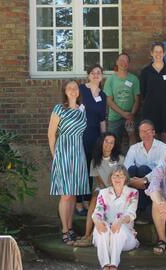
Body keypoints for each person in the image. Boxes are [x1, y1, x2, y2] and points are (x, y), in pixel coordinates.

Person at [48, 80, 90, 245]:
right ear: (65, 91)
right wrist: (55, 156)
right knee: (65, 195)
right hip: (63, 152)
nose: (73, 90)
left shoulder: (82, 110)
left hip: (78, 153)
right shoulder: (59, 108)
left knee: (73, 194)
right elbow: (51, 135)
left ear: (79, 92)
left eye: (75, 88)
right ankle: (64, 230)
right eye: (69, 88)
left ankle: (71, 227)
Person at [74, 133, 124, 247]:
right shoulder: (95, 161)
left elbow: (122, 178)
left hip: (117, 188)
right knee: (95, 198)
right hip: (102, 188)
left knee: (101, 198)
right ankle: (87, 234)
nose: (109, 144)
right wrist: (104, 192)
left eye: (112, 142)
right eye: (106, 141)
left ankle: (91, 236)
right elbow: (99, 181)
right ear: (101, 142)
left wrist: (111, 191)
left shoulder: (120, 159)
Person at [92, 165, 139, 270]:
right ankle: (105, 265)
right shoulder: (103, 193)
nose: (118, 178)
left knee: (119, 228)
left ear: (126, 178)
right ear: (110, 178)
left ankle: (113, 265)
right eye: (115, 175)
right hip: (105, 239)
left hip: (125, 238)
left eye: (121, 176)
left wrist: (119, 221)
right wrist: (97, 221)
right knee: (102, 225)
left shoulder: (133, 193)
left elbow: (131, 214)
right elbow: (97, 211)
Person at [76, 64, 107, 216]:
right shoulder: (81, 90)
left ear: (102, 76)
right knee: (80, 168)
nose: (96, 75)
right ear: (88, 75)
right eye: (93, 73)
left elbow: (102, 119)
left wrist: (104, 138)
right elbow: (74, 110)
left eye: (98, 73)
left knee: (90, 169)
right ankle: (78, 201)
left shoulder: (103, 95)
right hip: (81, 133)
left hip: (95, 135)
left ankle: (87, 199)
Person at [125, 120, 166, 220]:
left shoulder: (163, 147)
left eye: (148, 131)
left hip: (155, 183)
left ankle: (142, 209)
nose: (145, 134)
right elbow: (126, 167)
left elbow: (161, 168)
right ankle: (138, 208)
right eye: (142, 131)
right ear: (139, 133)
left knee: (143, 169)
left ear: (153, 132)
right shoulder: (134, 148)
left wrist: (145, 179)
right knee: (132, 169)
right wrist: (133, 181)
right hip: (136, 182)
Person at [140, 42, 166, 144]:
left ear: (164, 53)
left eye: (160, 52)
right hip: (151, 109)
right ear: (151, 53)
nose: (158, 54)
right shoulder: (145, 71)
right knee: (153, 137)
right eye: (156, 52)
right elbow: (143, 92)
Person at [104, 52, 140, 147]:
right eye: (121, 60)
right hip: (114, 118)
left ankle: (134, 161)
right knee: (113, 143)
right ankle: (115, 161)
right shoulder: (110, 79)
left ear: (129, 63)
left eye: (126, 61)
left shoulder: (134, 79)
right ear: (116, 62)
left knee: (133, 140)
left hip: (130, 117)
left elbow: (137, 100)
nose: (123, 62)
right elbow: (109, 100)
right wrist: (123, 113)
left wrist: (131, 115)